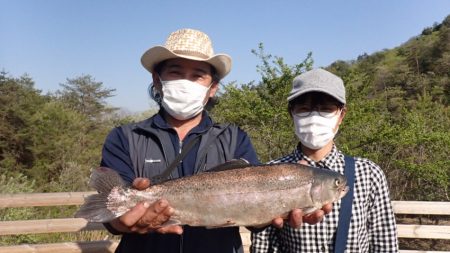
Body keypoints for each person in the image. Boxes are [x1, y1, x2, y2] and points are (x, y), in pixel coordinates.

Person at [99, 28, 328, 253]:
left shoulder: (234, 138)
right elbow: (113, 214)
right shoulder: (124, 137)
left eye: (197, 75)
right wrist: (121, 222)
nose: (186, 82)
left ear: (212, 88)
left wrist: (279, 203)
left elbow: (253, 215)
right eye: (176, 72)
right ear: (157, 81)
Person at [251, 69, 399, 252]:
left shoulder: (369, 174)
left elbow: (384, 244)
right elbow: (263, 246)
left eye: (326, 109)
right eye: (304, 109)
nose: (314, 117)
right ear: (292, 113)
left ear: (341, 115)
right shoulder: (271, 172)